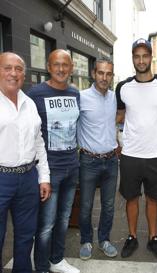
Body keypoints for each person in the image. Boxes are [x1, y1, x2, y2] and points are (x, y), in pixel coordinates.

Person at [116, 38, 157, 259]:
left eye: (145, 55)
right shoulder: (123, 87)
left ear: (151, 57)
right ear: (133, 58)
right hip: (131, 154)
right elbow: (118, 117)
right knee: (131, 198)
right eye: (137, 56)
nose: (141, 60)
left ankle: (153, 238)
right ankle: (132, 237)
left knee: (153, 199)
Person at [28, 49, 80, 273]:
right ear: (49, 67)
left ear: (71, 68)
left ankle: (57, 259)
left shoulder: (75, 93)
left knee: (64, 219)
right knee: (46, 224)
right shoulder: (35, 94)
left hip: (71, 167)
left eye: (65, 65)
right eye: (56, 64)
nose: (61, 69)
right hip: (48, 172)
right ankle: (41, 266)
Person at [0, 52, 50, 273]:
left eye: (19, 69)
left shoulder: (29, 104)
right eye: (7, 68)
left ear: (24, 74)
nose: (13, 73)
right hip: (1, 179)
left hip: (29, 178)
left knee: (25, 237)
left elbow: (39, 142)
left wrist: (44, 178)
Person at [77, 58, 118, 260]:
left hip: (111, 161)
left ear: (112, 76)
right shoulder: (81, 97)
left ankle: (103, 240)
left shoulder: (114, 98)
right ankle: (86, 240)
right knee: (85, 206)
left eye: (108, 73)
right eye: (101, 73)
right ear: (94, 73)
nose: (104, 77)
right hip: (89, 161)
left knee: (109, 206)